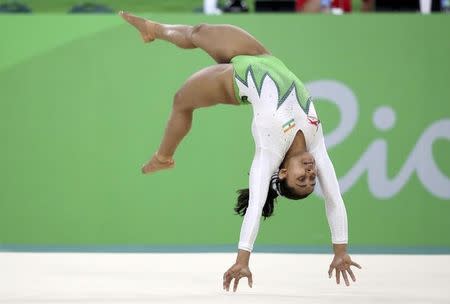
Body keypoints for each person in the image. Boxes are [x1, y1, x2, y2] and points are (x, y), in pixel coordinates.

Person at [119, 11, 362, 292]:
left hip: (237, 79)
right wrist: (340, 250)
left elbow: (256, 207)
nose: (310, 174)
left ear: (282, 173)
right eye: (311, 179)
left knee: (181, 99)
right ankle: (153, 29)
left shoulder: (269, 153)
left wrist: (243, 259)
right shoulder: (316, 145)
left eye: (300, 180)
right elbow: (334, 198)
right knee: (198, 30)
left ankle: (163, 157)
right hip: (263, 57)